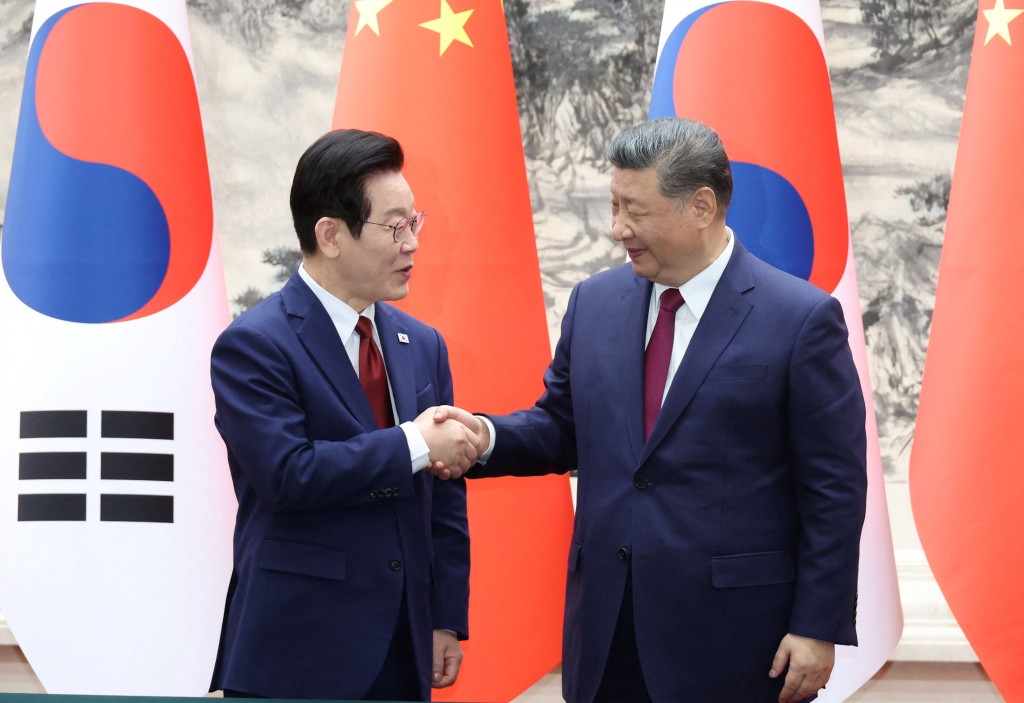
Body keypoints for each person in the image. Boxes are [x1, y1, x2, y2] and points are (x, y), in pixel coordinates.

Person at [438, 117, 867, 702]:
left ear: (701, 206)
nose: (618, 228)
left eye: (634, 210)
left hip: (737, 641)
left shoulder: (800, 319)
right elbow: (562, 428)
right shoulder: (594, 302)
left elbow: (834, 488)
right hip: (607, 632)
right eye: (614, 206)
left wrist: (817, 625)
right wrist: (482, 437)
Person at [209, 129, 477, 701]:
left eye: (415, 222)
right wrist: (413, 444)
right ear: (330, 235)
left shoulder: (422, 344)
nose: (413, 244)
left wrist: (444, 617)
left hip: (403, 648)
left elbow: (445, 496)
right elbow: (288, 475)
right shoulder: (255, 344)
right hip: (297, 649)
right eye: (395, 226)